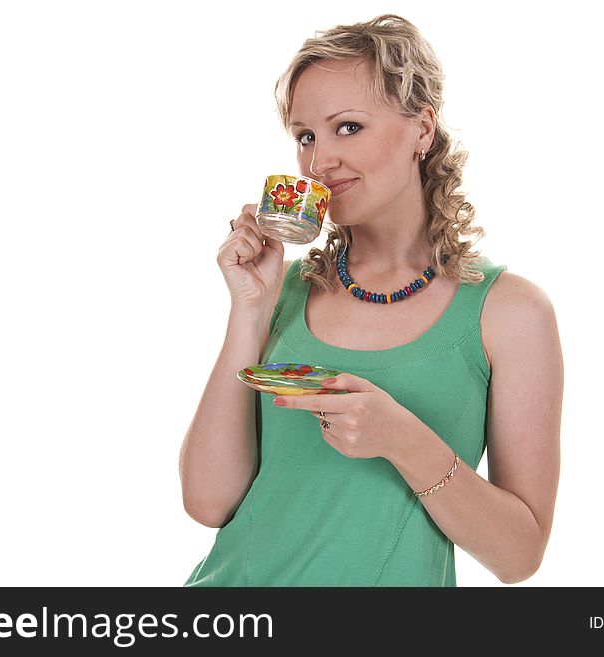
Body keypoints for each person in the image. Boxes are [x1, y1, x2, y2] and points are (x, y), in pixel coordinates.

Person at [179, 14, 563, 586]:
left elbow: (519, 556)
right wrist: (249, 310)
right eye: (306, 136)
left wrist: (403, 440)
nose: (320, 161)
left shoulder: (509, 313)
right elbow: (207, 502)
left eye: (348, 127)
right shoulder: (281, 291)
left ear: (423, 130)